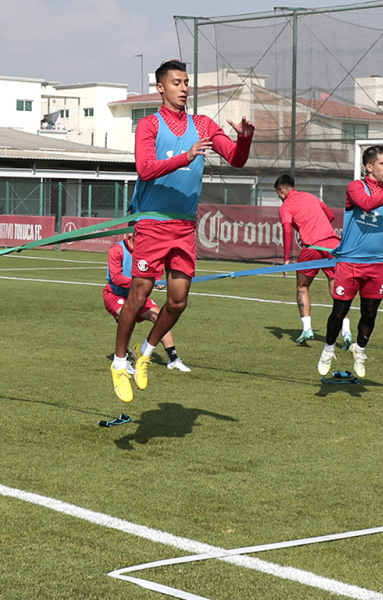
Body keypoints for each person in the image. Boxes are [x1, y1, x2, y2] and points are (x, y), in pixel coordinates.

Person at [111, 59, 252, 402]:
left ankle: (145, 353)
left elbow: (235, 158)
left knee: (178, 302)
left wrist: (245, 140)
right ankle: (118, 362)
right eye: (176, 82)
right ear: (160, 88)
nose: (184, 88)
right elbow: (145, 169)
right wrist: (186, 156)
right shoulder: (148, 124)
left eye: (186, 82)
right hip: (152, 223)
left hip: (184, 227)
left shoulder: (202, 123)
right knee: (140, 295)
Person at [317, 144, 383, 377]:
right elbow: (367, 204)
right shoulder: (356, 187)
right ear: (369, 166)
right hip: (350, 262)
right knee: (339, 313)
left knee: (370, 313)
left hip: (375, 264)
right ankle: (328, 349)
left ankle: (360, 350)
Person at [275, 174, 349, 344]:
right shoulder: (311, 196)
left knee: (302, 286)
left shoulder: (286, 206)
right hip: (333, 245)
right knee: (337, 289)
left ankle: (307, 329)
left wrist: (287, 259)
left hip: (313, 247)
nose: (280, 197)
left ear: (282, 190)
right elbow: (330, 215)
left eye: (279, 194)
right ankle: (346, 331)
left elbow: (287, 232)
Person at [104, 235, 189, 372]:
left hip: (138, 295)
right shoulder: (117, 249)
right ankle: (123, 359)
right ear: (130, 234)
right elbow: (116, 278)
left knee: (161, 317)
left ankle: (172, 359)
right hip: (116, 295)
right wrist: (141, 283)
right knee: (125, 317)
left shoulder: (146, 251)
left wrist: (158, 280)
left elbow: (154, 272)